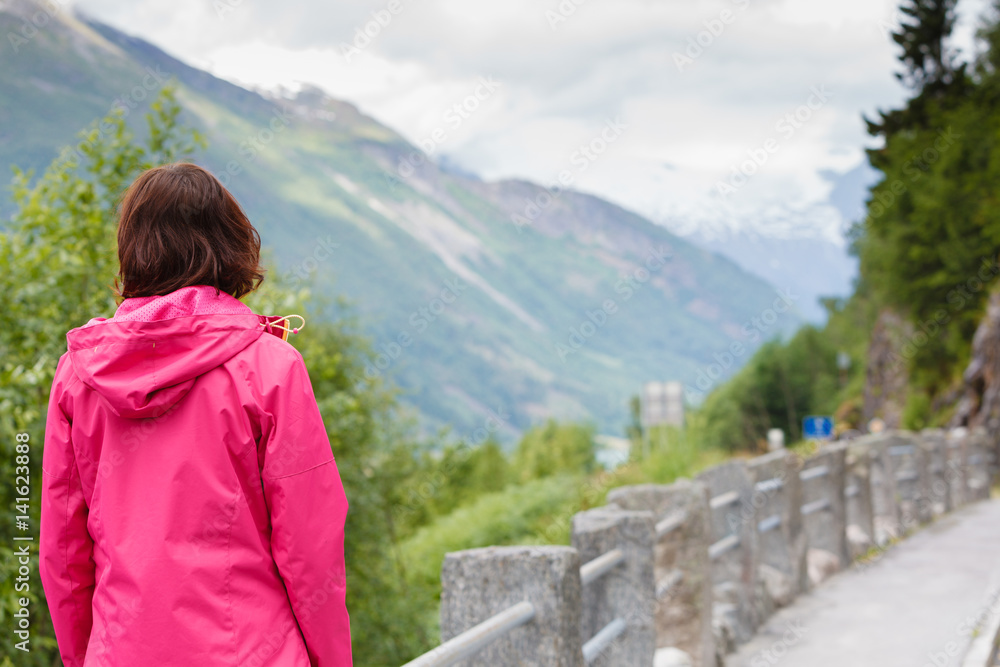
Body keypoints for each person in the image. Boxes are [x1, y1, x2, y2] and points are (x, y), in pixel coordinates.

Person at [39, 163, 352, 666]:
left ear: (132, 248)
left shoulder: (77, 376)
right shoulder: (271, 368)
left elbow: (64, 552)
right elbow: (311, 550)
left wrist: (87, 656)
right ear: (231, 245)